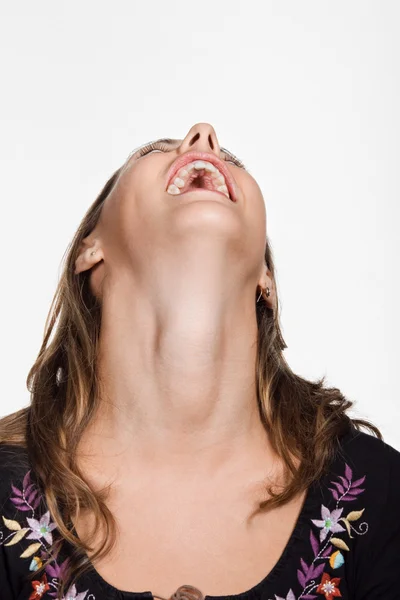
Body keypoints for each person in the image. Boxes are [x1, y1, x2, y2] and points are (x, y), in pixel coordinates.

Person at [0, 122, 399, 600]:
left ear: (265, 280)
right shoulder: (6, 491)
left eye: (234, 160)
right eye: (153, 150)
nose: (204, 138)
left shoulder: (377, 493)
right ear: (91, 252)